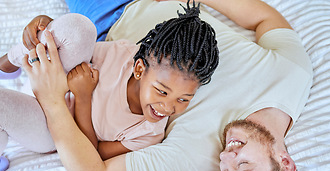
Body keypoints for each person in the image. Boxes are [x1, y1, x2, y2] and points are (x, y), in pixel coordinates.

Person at [11, 0, 315, 171]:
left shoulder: (193, 163)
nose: (226, 158)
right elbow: (266, 18)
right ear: (285, 161)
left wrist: (52, 101)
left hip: (108, 25)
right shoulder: (293, 75)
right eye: (243, 165)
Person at [0, 2, 219, 161]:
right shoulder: (126, 56)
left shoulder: (148, 134)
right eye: (162, 92)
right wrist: (52, 28)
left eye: (183, 99)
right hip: (49, 76)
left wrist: (83, 97)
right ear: (140, 69)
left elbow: (90, 152)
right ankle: (9, 61)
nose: (169, 107)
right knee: (81, 28)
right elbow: (74, 50)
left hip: (50, 128)